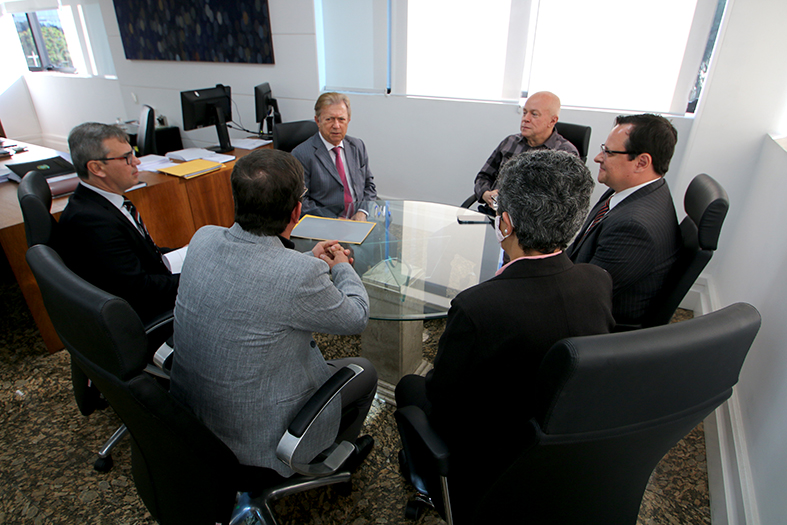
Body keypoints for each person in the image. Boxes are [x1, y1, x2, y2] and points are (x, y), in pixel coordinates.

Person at [396, 150, 615, 521]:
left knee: (409, 387)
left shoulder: (477, 306)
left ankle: (426, 478)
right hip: (554, 436)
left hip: (490, 450)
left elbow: (442, 398)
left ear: (506, 224)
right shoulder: (598, 281)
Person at [170, 148, 377, 477]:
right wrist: (341, 268)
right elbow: (356, 317)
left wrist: (309, 258)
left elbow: (254, 275)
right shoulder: (298, 276)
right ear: (297, 210)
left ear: (237, 198)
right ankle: (332, 463)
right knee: (364, 370)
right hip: (255, 441)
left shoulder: (202, 238)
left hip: (192, 419)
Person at [57, 122, 178, 327]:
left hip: (153, 281)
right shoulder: (91, 222)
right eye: (126, 158)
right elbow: (140, 289)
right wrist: (198, 275)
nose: (137, 162)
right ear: (96, 168)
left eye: (133, 153)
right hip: (146, 312)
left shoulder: (104, 202)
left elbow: (141, 254)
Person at [566, 114, 682, 326]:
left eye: (609, 152)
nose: (598, 158)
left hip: (592, 327)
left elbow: (580, 297)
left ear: (641, 162)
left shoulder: (635, 228)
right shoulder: (628, 191)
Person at [473, 91, 578, 207]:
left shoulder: (565, 153)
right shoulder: (510, 142)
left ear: (552, 121)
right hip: (494, 214)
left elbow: (563, 202)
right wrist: (485, 194)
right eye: (524, 113)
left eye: (534, 114)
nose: (525, 119)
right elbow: (484, 176)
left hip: (532, 222)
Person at [292, 92, 377, 219]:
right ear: (318, 121)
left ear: (348, 120)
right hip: (325, 226)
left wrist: (363, 212)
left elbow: (369, 185)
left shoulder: (358, 146)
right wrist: (334, 221)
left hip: (359, 220)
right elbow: (301, 200)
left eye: (341, 119)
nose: (336, 126)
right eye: (329, 119)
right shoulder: (301, 155)